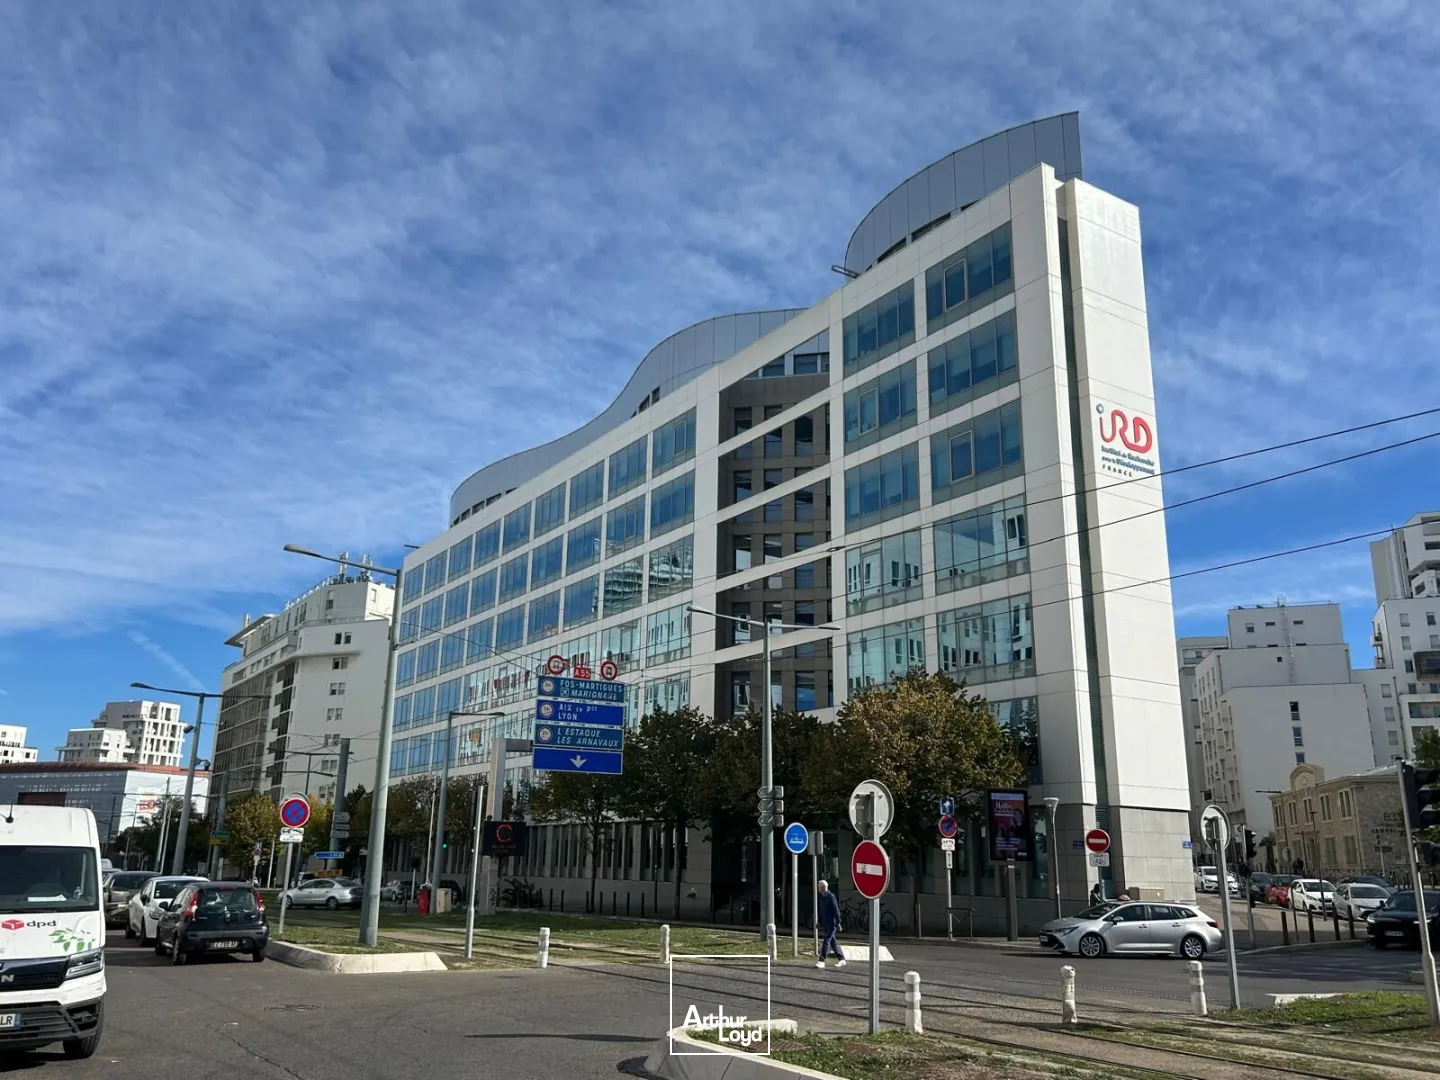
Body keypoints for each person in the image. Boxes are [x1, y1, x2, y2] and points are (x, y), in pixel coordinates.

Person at [815, 880, 846, 969]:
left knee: (826, 940)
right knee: (833, 942)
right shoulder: (822, 897)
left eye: (819, 886)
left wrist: (838, 922)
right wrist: (819, 921)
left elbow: (836, 910)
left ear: (822, 887)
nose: (818, 888)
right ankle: (842, 959)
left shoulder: (831, 897)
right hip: (826, 923)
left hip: (832, 923)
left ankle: (822, 960)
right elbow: (822, 911)